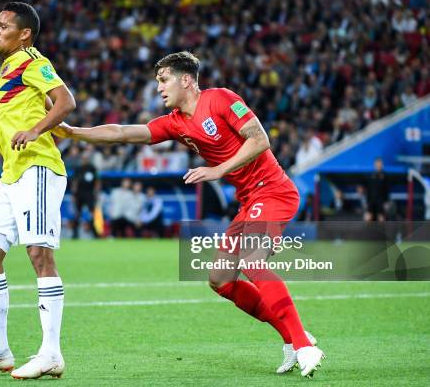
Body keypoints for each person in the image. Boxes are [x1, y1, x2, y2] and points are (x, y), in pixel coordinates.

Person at [54, 51, 324, 377]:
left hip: (274, 191)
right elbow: (123, 132)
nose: (158, 88)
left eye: (164, 80)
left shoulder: (221, 99)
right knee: (221, 280)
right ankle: (292, 338)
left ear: (186, 80)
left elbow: (259, 140)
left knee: (253, 261)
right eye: (157, 82)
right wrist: (72, 131)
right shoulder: (175, 123)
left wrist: (217, 170)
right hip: (250, 200)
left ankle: (305, 345)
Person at [0, 2, 76, 380]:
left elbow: (65, 100)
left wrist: (37, 130)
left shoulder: (32, 60)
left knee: (40, 255)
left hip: (37, 169)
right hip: (11, 173)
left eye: (4, 25)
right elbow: (37, 104)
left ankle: (51, 353)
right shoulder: (8, 67)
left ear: (24, 33)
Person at [365, 157, 390, 222]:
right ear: (375, 164)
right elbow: (368, 190)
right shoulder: (370, 175)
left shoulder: (385, 176)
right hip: (371, 200)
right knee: (368, 217)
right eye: (377, 163)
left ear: (382, 164)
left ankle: (381, 231)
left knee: (381, 218)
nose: (378, 165)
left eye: (380, 163)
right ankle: (369, 231)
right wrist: (367, 201)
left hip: (381, 200)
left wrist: (386, 202)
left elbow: (387, 190)